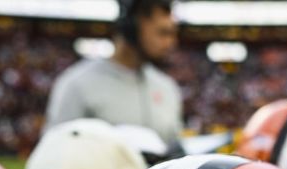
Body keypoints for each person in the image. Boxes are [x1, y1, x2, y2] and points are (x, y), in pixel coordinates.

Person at [44, 0, 183, 146]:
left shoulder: (167, 88)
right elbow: (54, 153)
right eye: (163, 33)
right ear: (131, 28)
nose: (170, 43)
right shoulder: (78, 84)